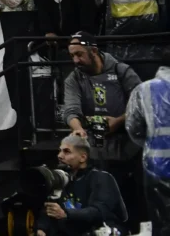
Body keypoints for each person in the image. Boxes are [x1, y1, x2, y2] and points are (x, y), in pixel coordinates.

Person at [64, 31, 143, 225]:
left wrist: (118, 121)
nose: (75, 60)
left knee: (133, 203)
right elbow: (71, 110)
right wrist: (77, 128)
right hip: (97, 150)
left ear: (94, 51)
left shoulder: (121, 71)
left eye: (79, 54)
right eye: (72, 55)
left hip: (128, 147)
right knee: (101, 201)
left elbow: (141, 103)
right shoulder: (74, 79)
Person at [34, 135, 128, 236]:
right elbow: (49, 211)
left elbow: (98, 212)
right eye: (60, 151)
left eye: (66, 151)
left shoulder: (101, 178)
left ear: (83, 157)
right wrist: (41, 228)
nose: (59, 155)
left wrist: (66, 213)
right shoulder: (61, 179)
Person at [125, 63, 170, 235]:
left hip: (156, 168)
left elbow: (133, 127)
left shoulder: (144, 90)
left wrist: (151, 143)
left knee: (161, 222)